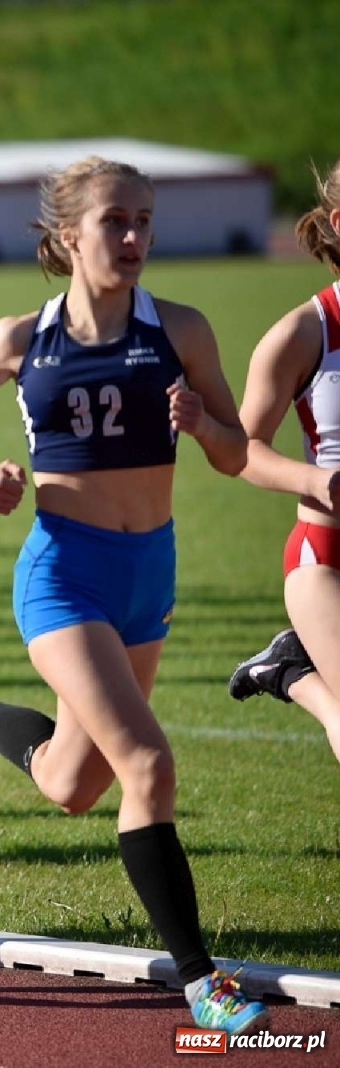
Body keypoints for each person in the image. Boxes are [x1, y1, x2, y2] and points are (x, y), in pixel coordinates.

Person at [0, 157, 267, 1035]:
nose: (134, 238)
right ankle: (203, 983)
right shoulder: (22, 338)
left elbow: (237, 448)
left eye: (144, 220)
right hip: (64, 575)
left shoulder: (182, 329)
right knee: (147, 763)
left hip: (151, 577)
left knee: (71, 782)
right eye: (115, 222)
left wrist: (203, 425)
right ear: (69, 237)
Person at [223, 158, 340, 766]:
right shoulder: (304, 332)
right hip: (326, 557)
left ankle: (290, 666)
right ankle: (299, 676)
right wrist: (319, 480)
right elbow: (242, 450)